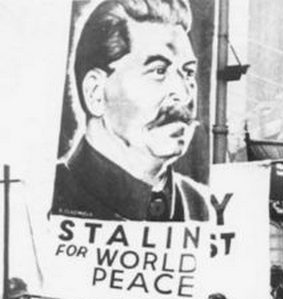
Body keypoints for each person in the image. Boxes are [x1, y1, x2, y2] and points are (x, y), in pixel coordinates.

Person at [51, 0, 209, 221]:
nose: (184, 95)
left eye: (189, 73)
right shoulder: (47, 194)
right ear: (95, 92)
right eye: (159, 71)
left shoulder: (202, 208)